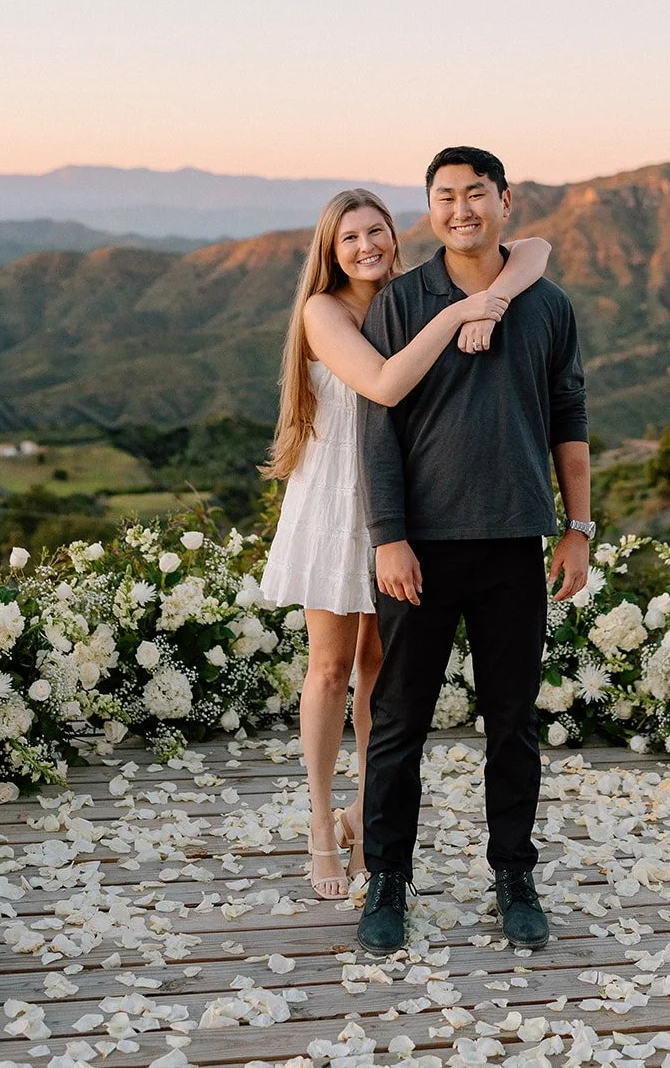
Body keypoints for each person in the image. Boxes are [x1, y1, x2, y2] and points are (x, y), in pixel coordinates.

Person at [260, 187, 551, 899]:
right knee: (330, 668)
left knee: (381, 673)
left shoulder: (406, 297)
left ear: (396, 234)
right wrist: (462, 311)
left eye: (377, 231)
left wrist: (497, 296)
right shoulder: (322, 312)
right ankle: (320, 825)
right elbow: (386, 385)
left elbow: (536, 251)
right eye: (350, 238)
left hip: (402, 496)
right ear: (330, 252)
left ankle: (366, 812)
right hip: (338, 497)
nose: (367, 246)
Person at [355, 147, 593, 955]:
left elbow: (570, 419)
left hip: (512, 544)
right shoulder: (401, 300)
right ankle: (386, 881)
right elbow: (375, 427)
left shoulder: (548, 305)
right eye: (445, 196)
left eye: (475, 194)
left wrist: (577, 527)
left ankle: (513, 875)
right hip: (418, 550)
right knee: (398, 724)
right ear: (430, 209)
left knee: (512, 723)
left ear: (505, 200)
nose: (461, 208)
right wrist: (387, 537)